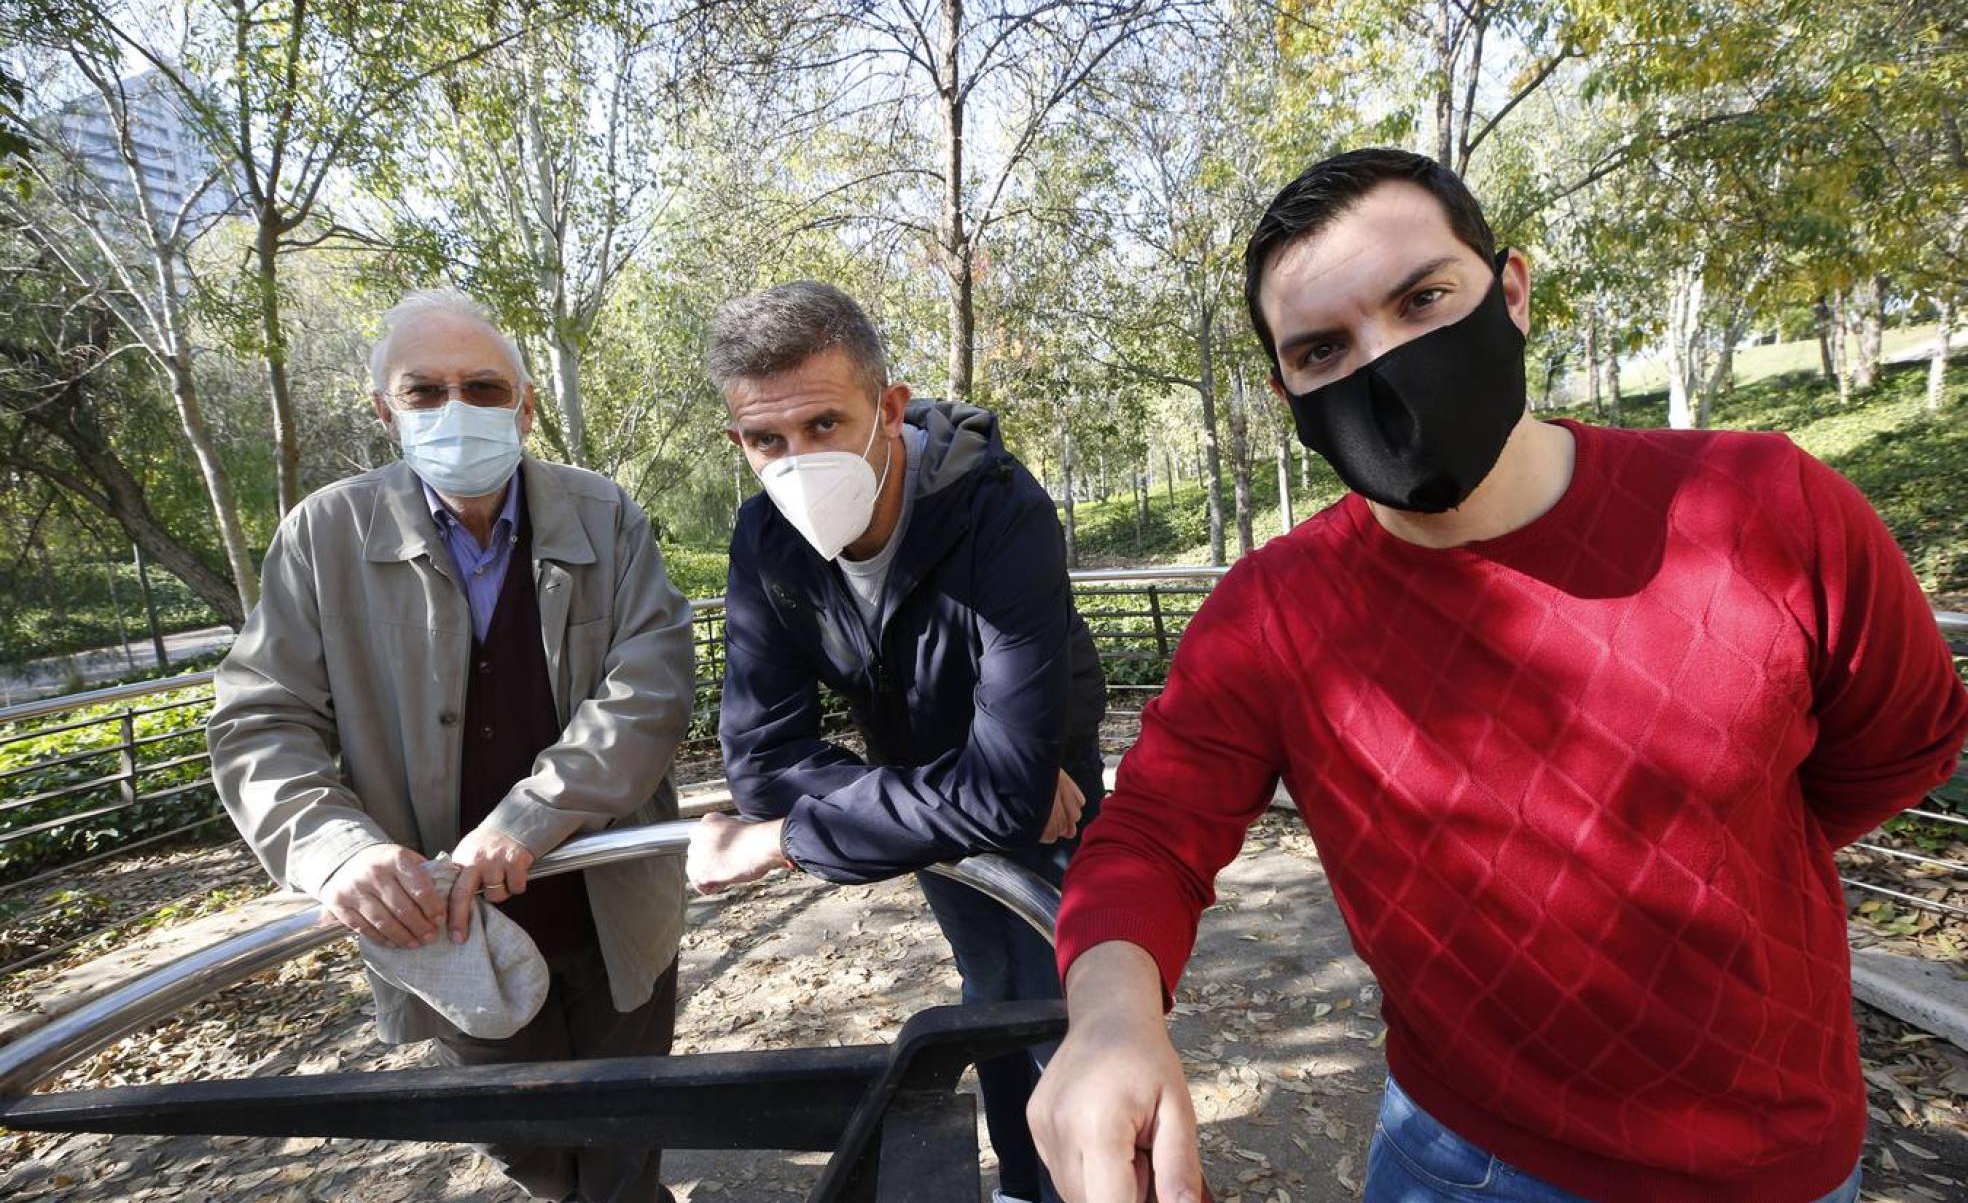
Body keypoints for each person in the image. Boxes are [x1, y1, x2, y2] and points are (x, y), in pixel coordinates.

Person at [1026, 148, 1968, 1203]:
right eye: (1323, 348)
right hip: (1464, 1157)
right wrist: (1111, 1020)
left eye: (1424, 297)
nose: (1385, 363)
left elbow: (1901, 741)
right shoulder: (1272, 613)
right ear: (1286, 386)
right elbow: (1152, 829)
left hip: (1778, 1158)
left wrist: (1716, 851)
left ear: (1510, 292)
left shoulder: (1765, 507)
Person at [208, 288, 695, 1203]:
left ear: (525, 403)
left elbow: (653, 686)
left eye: (482, 385)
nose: (456, 409)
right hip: (443, 921)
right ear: (384, 410)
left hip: (610, 892)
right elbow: (261, 720)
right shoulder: (324, 534)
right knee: (520, 1136)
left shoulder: (604, 515)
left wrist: (532, 816)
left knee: (632, 1128)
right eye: (424, 391)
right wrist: (335, 851)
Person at [685, 280, 1107, 1203]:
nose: (797, 460)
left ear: (889, 408)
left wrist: (792, 837)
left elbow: (1020, 758)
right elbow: (760, 762)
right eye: (767, 440)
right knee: (986, 986)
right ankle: (1024, 1183)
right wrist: (946, 788)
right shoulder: (766, 536)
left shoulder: (1000, 511)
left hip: (1050, 793)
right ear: (738, 443)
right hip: (923, 786)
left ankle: (1094, 1178)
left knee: (1058, 997)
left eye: (825, 424)